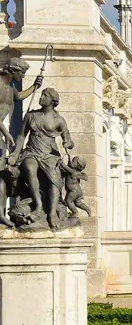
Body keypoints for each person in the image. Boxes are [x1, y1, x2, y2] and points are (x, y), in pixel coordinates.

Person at [14, 88, 74, 229]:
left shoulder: (59, 120)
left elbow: (69, 140)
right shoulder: (31, 116)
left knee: (55, 179)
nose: (41, 97)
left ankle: (52, 213)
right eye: (41, 94)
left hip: (50, 155)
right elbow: (22, 135)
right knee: (29, 168)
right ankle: (38, 205)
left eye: (45, 95)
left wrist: (68, 143)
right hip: (32, 152)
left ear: (52, 101)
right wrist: (15, 153)